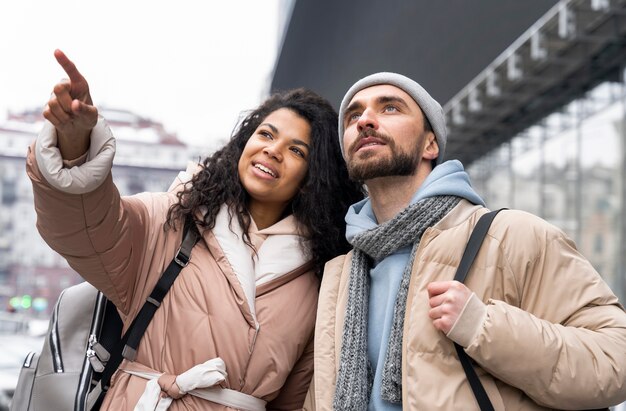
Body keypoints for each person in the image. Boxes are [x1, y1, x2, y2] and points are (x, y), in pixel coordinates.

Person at [26, 49, 364, 410]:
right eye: (266, 134)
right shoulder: (173, 220)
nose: (273, 151)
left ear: (315, 177)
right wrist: (74, 146)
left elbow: (297, 400)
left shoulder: (318, 274)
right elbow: (85, 228)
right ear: (244, 143)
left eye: (296, 150)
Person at [306, 72, 626, 410]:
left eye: (390, 109)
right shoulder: (339, 274)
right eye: (354, 116)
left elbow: (615, 357)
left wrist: (483, 327)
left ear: (431, 144)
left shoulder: (510, 236)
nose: (365, 120)